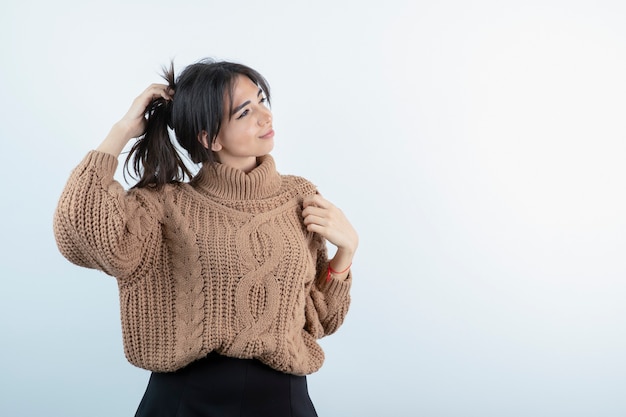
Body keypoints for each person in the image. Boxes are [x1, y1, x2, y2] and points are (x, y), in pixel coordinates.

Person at [53, 58, 358, 417]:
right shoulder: (164, 204)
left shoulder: (300, 197)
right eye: (245, 112)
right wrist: (121, 129)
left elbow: (320, 321)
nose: (265, 116)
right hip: (186, 400)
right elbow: (80, 227)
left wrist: (347, 250)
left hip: (282, 401)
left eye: (263, 101)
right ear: (209, 137)